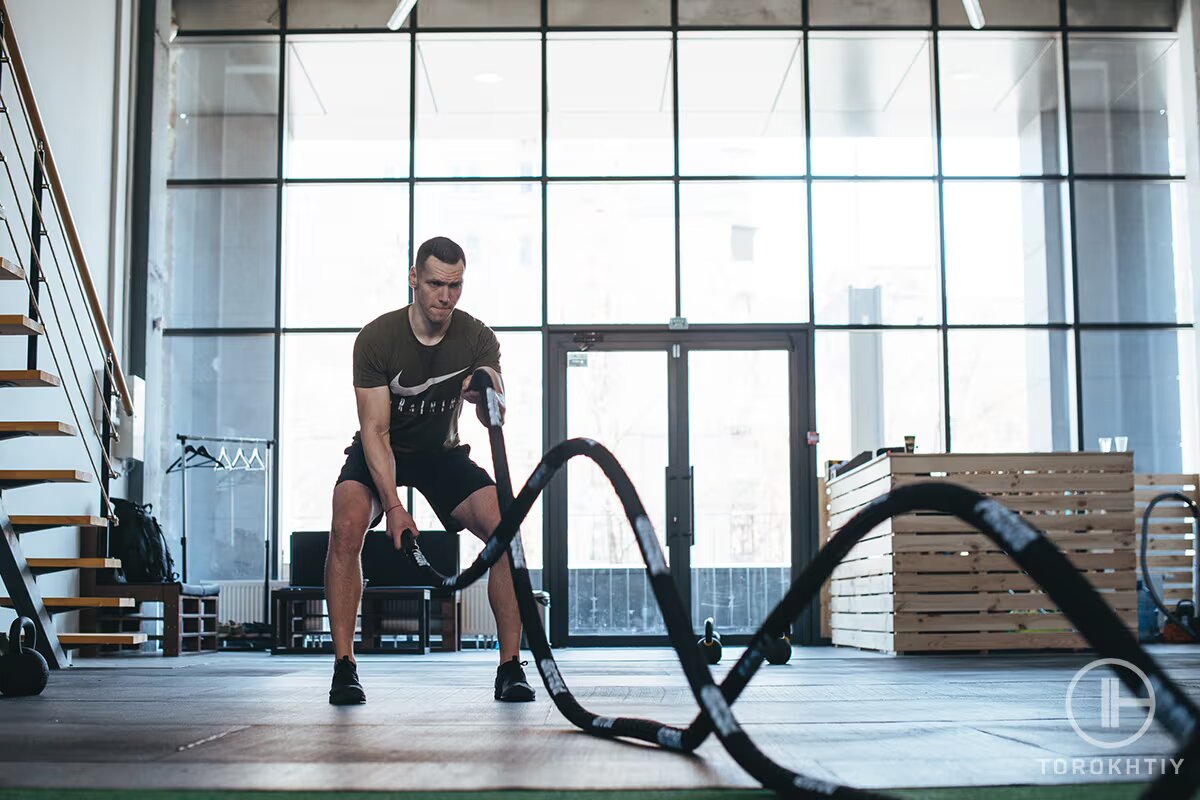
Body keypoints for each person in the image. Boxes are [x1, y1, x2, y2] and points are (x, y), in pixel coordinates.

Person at [325, 235, 534, 705]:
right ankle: (344, 667)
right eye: (437, 283)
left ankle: (510, 667)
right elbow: (375, 431)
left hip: (441, 454)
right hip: (384, 448)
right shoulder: (378, 339)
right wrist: (395, 507)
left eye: (456, 285)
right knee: (346, 524)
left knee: (507, 530)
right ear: (414, 279)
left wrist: (489, 393)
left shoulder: (477, 336)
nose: (446, 296)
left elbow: (493, 411)